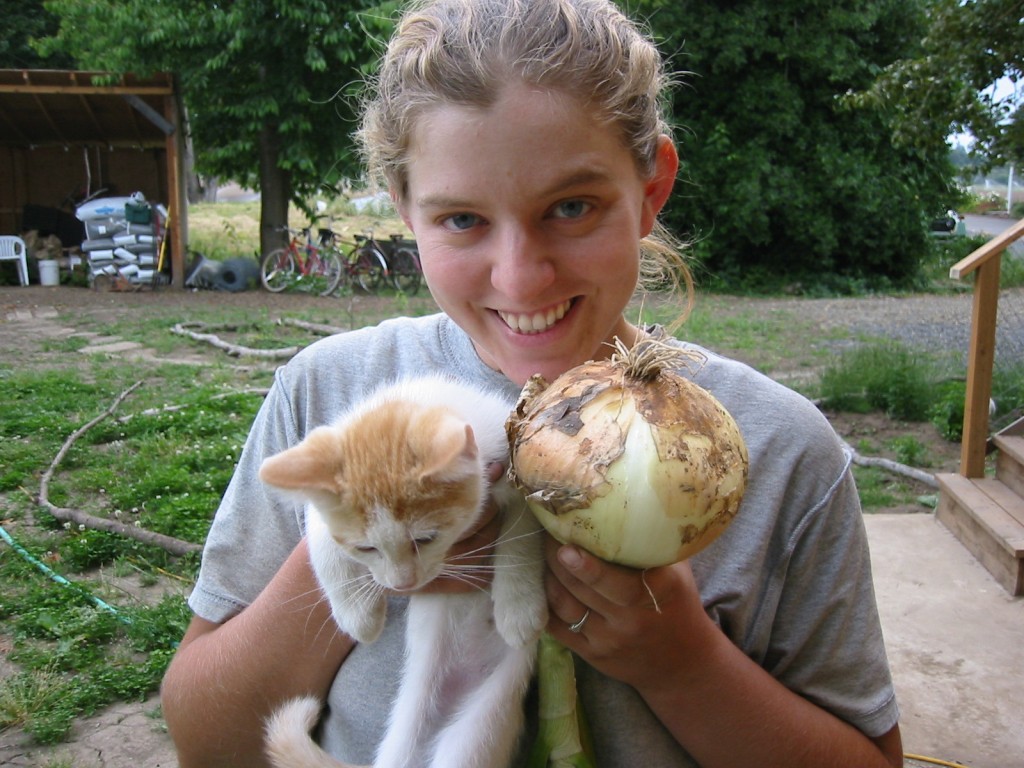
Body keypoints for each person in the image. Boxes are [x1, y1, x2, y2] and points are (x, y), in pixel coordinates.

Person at [160, 0, 904, 765]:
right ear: (405, 209)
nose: (520, 277)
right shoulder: (330, 398)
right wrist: (355, 540)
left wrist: (682, 666)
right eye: (460, 220)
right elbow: (208, 742)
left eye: (571, 207)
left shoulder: (778, 452)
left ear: (650, 191)